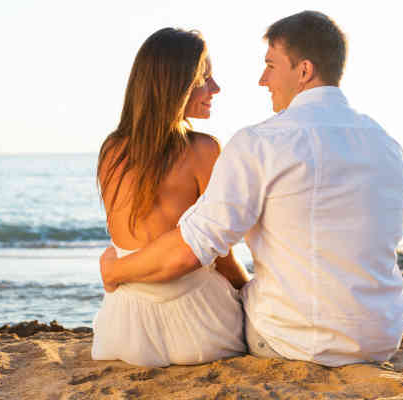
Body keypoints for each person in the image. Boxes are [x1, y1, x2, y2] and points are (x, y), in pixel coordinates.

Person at [100, 11, 403, 367]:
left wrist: (114, 271)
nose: (263, 80)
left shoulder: (261, 142)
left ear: (304, 71)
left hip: (292, 342)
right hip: (382, 337)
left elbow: (193, 248)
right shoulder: (385, 143)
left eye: (271, 65)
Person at [91, 27, 248, 367]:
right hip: (198, 328)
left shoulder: (111, 150)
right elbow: (220, 254)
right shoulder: (204, 150)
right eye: (204, 78)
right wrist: (248, 290)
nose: (215, 88)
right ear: (175, 85)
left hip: (122, 330)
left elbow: (127, 241)